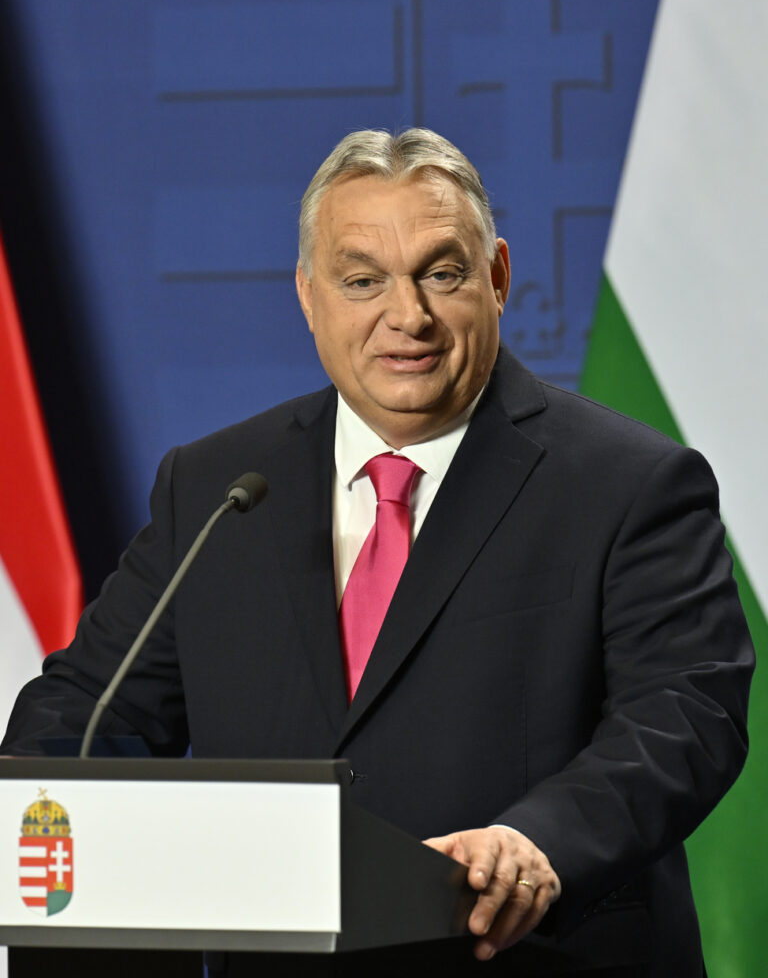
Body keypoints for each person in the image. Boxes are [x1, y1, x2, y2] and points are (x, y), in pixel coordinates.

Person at [2, 129, 753, 976]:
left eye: (442, 272)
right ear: (307, 295)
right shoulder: (220, 487)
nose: (409, 317)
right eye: (362, 281)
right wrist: (32, 799)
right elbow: (93, 712)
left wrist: (538, 842)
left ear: (498, 276)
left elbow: (686, 716)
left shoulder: (632, 484)